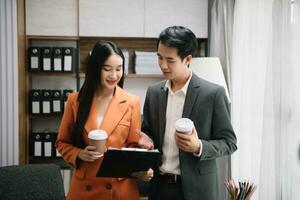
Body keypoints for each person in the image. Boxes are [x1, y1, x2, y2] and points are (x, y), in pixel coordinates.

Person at [140, 26, 238, 200]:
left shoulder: (213, 94)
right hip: (159, 188)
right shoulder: (153, 93)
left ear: (187, 59)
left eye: (170, 60)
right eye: (160, 57)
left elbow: (229, 143)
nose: (163, 65)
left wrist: (198, 146)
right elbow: (147, 134)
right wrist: (143, 141)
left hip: (197, 191)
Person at [56, 41, 152, 200]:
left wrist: (143, 155)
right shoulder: (75, 100)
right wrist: (79, 153)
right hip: (85, 187)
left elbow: (132, 146)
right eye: (107, 69)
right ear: (96, 69)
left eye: (119, 69)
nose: (114, 75)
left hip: (119, 187)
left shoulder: (132, 102)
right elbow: (61, 142)